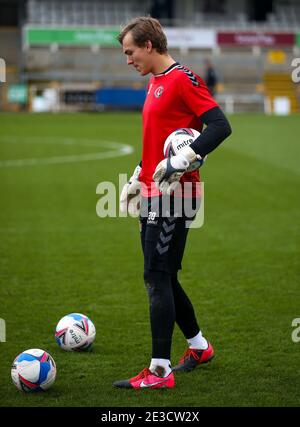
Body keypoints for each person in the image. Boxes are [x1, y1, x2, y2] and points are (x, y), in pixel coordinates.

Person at [116, 16, 231, 389]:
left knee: (156, 275)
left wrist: (186, 158)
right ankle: (199, 347)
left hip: (175, 194)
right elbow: (160, 140)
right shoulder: (156, 83)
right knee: (163, 274)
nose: (128, 59)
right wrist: (139, 173)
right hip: (153, 191)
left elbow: (219, 126)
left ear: (149, 45)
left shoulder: (183, 79)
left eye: (130, 52)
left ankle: (160, 371)